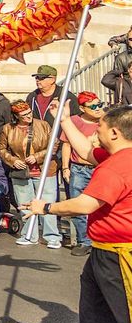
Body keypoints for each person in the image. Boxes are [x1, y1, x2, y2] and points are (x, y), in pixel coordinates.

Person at [23, 105, 132, 323]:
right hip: (103, 252)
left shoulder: (116, 167)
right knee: (94, 307)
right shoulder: (116, 157)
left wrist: (46, 207)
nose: (96, 132)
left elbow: (85, 204)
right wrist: (64, 121)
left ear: (115, 133)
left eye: (100, 128)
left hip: (121, 255)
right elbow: (85, 151)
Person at [0, 100, 62, 249]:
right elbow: (1, 149)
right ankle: (29, 235)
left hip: (45, 171)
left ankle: (52, 236)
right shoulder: (8, 129)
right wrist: (13, 160)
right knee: (25, 205)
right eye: (24, 115)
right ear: (16, 116)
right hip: (21, 172)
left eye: (29, 113)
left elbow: (54, 144)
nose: (28, 116)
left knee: (47, 205)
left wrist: (38, 156)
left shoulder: (43, 125)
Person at [62, 92, 105, 256]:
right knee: (77, 206)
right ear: (82, 108)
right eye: (93, 106)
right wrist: (65, 167)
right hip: (79, 168)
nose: (98, 108)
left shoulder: (106, 121)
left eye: (100, 104)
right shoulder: (74, 121)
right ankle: (84, 241)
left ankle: (99, 239)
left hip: (99, 167)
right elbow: (67, 145)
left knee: (99, 206)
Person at [26, 64, 79, 129]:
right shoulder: (32, 96)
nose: (38, 80)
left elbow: (77, 119)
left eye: (42, 78)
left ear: (52, 79)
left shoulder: (66, 96)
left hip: (58, 136)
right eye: (36, 77)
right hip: (38, 136)